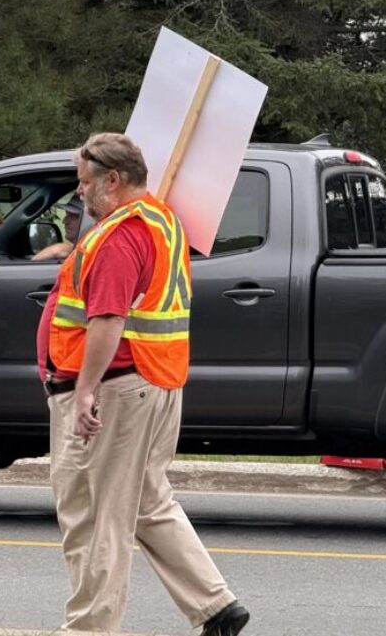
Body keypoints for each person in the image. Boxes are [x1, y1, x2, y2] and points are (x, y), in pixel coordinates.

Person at [37, 133, 248, 635]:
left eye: (86, 183)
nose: (80, 193)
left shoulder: (118, 237)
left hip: (114, 389)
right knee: (147, 502)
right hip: (153, 380)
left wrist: (85, 391)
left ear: (113, 180)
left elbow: (107, 320)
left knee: (96, 517)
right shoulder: (162, 219)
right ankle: (216, 605)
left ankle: (90, 629)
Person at [31, 195, 84, 261]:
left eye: (73, 215)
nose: (64, 221)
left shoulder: (94, 250)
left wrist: (60, 249)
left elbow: (57, 251)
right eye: (67, 214)